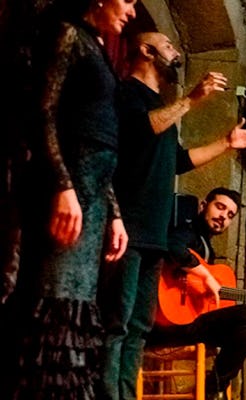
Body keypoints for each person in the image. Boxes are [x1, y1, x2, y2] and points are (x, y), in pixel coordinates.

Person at [97, 30, 246, 400]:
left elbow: (177, 161)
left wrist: (226, 144)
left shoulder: (159, 106)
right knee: (117, 324)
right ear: (146, 51)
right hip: (128, 228)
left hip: (153, 233)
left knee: (138, 326)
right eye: (168, 46)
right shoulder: (127, 94)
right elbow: (140, 130)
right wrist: (191, 100)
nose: (175, 52)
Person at [0, 0, 137, 397]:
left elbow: (103, 147)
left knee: (77, 306)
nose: (130, 11)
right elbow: (43, 113)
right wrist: (62, 186)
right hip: (65, 188)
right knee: (53, 302)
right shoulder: (66, 33)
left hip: (92, 196)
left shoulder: (96, 45)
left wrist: (114, 215)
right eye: (127, 0)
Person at [148, 187, 246, 400]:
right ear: (203, 206)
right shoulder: (188, 231)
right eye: (220, 207)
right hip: (169, 325)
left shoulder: (206, 247)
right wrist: (206, 276)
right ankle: (212, 390)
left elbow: (214, 309)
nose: (223, 217)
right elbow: (172, 245)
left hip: (194, 323)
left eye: (230, 215)